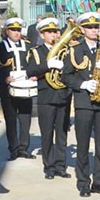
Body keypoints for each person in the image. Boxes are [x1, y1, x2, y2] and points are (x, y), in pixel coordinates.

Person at [62, 11, 100, 197]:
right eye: (90, 27)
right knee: (83, 143)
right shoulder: (74, 50)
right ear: (82, 29)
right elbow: (66, 76)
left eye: (96, 26)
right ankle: (83, 182)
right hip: (84, 102)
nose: (94, 30)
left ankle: (99, 181)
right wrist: (82, 84)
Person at [25, 18, 72, 180]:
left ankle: (60, 166)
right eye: (50, 32)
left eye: (56, 31)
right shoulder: (36, 52)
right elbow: (30, 70)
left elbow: (71, 71)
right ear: (42, 35)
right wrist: (48, 65)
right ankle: (49, 166)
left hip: (63, 95)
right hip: (46, 96)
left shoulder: (65, 51)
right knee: (47, 133)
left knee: (62, 133)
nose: (54, 35)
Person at [0, 17, 35, 160]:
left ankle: (23, 148)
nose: (16, 32)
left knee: (25, 117)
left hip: (25, 86)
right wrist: (4, 77)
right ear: (7, 31)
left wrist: (33, 75)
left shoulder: (28, 45)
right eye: (13, 30)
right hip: (7, 88)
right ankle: (13, 149)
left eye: (18, 30)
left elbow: (34, 63)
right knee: (10, 119)